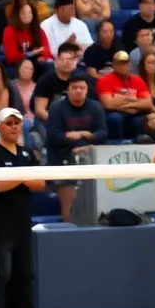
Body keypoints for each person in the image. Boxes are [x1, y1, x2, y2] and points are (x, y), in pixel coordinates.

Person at [0, 108, 56, 308]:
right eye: (9, 123)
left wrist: (16, 177)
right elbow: (0, 186)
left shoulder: (27, 153)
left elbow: (40, 184)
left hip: (22, 223)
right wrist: (23, 177)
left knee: (27, 273)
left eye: (17, 123)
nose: (14, 127)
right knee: (2, 274)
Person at [45, 72, 107, 222]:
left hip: (90, 157)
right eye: (74, 87)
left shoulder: (95, 106)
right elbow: (54, 135)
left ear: (87, 89)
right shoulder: (56, 107)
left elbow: (103, 133)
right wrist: (78, 142)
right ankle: (69, 231)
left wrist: (83, 135)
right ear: (68, 89)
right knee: (71, 203)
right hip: (62, 159)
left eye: (82, 87)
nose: (78, 90)